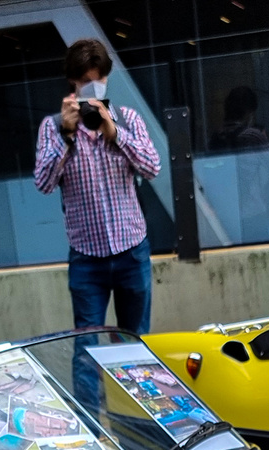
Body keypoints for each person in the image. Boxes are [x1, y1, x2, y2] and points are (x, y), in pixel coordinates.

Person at [33, 38, 162, 334]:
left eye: (98, 80)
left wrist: (114, 132)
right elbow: (43, 184)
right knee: (87, 348)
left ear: (106, 78)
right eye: (84, 81)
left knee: (136, 342)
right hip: (87, 257)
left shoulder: (127, 119)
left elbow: (152, 167)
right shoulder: (53, 127)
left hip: (131, 250)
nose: (92, 88)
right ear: (72, 83)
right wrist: (67, 135)